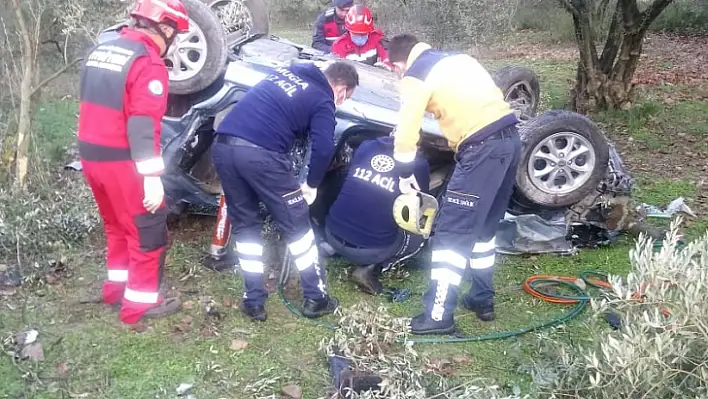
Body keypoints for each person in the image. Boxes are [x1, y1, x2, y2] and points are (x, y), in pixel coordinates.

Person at [387, 34, 522, 335]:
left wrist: (404, 168)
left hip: (482, 149)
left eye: (395, 71)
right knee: (485, 230)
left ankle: (438, 316)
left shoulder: (416, 74)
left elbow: (408, 124)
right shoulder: (458, 59)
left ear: (397, 64)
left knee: (451, 236)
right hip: (510, 141)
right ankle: (482, 299)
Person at [212, 61, 359, 322]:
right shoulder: (323, 99)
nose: (342, 102)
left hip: (223, 146)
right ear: (342, 89)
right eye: (346, 98)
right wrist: (311, 185)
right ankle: (317, 298)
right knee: (299, 228)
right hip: (262, 157)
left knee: (246, 226)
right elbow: (324, 148)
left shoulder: (285, 73)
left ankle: (253, 299)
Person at [77, 0, 190, 324]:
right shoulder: (148, 64)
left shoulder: (101, 50)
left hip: (90, 155)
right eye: (176, 34)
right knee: (147, 230)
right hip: (122, 162)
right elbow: (142, 124)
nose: (174, 42)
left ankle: (116, 288)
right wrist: (152, 177)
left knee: (116, 226)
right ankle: (139, 304)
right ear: (164, 28)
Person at [324, 136, 429, 294]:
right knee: (419, 235)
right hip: (369, 252)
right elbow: (420, 204)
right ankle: (371, 268)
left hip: (330, 233)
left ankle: (329, 249)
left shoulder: (366, 145)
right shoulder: (419, 165)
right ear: (419, 143)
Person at [331, 5, 391, 69]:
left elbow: (387, 57)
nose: (360, 37)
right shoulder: (339, 45)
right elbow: (338, 71)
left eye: (363, 34)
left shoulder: (376, 38)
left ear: (369, 31)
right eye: (355, 34)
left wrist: (386, 65)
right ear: (348, 30)